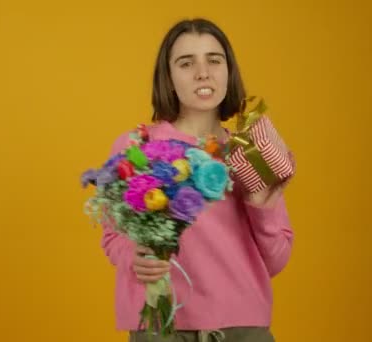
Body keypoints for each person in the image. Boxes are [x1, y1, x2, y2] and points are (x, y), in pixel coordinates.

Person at [101, 18, 294, 342]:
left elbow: (276, 260)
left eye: (214, 60)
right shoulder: (137, 147)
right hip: (162, 326)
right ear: (169, 77)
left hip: (243, 326)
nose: (202, 72)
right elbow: (112, 237)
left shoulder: (249, 152)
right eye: (186, 62)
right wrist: (134, 257)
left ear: (228, 71)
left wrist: (262, 205)